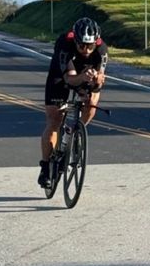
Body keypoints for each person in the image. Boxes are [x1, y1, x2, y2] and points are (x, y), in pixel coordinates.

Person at [38, 17, 108, 188]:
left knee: (91, 104)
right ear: (75, 40)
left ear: (96, 42)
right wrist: (82, 78)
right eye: (82, 45)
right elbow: (69, 79)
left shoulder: (101, 50)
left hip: (85, 72)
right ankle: (45, 167)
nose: (86, 50)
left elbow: (99, 83)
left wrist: (94, 82)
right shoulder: (64, 44)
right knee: (54, 120)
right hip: (61, 76)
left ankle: (74, 134)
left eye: (90, 46)